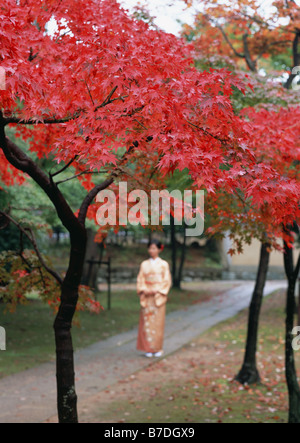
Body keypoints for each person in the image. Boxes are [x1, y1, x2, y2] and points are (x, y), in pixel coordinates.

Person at [136, 240, 172, 358]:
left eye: (154, 248)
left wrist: (157, 290)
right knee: (147, 322)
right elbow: (140, 279)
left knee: (158, 322)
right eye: (150, 248)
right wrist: (144, 289)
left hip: (158, 296)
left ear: (159, 249)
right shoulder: (144, 264)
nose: (152, 250)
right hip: (147, 295)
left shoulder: (163, 264)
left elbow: (166, 280)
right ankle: (147, 348)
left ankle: (157, 348)